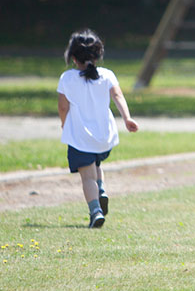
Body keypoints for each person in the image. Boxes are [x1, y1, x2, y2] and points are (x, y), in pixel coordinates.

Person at [57, 29, 139, 228]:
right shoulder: (107, 75)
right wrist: (127, 118)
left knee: (87, 177)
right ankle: (101, 190)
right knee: (96, 165)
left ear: (73, 57)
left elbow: (62, 106)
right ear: (97, 54)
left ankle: (95, 211)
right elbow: (118, 97)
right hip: (103, 136)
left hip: (81, 137)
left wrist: (64, 123)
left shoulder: (67, 78)